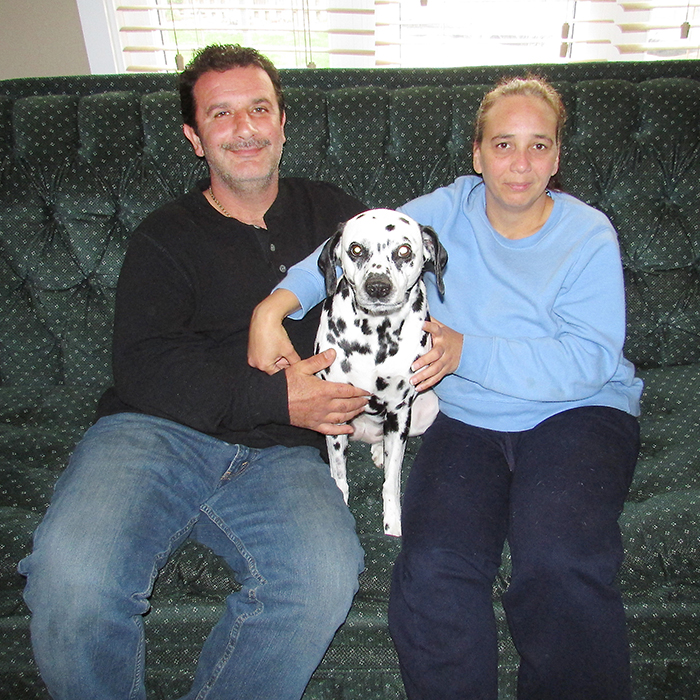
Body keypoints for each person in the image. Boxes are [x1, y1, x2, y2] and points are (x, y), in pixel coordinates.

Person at [248, 76, 644, 700]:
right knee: (432, 571)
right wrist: (271, 310)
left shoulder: (588, 234)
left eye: (539, 146)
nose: (520, 163)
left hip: (579, 414)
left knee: (558, 560)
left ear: (557, 157)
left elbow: (591, 359)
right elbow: (350, 243)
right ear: (477, 153)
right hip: (464, 420)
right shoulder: (441, 210)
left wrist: (468, 350)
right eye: (503, 144)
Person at [18, 44, 370, 700]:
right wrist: (275, 397)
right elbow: (144, 361)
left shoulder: (332, 212)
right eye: (221, 114)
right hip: (155, 433)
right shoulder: (166, 234)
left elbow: (405, 268)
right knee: (72, 583)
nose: (244, 128)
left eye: (259, 108)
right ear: (194, 136)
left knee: (322, 581)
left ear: (283, 123)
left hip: (282, 456)